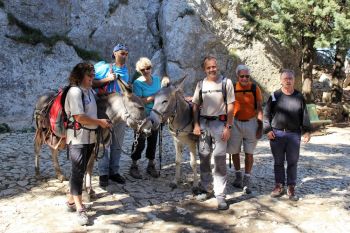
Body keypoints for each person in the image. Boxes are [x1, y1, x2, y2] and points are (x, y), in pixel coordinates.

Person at [65, 62, 111, 225]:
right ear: (80, 76)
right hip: (77, 138)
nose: (93, 78)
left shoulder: (90, 91)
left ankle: (71, 199)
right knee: (78, 171)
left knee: (81, 169)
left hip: (90, 137)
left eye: (93, 75)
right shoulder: (75, 92)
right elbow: (79, 117)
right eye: (90, 75)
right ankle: (80, 209)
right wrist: (100, 122)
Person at [192, 55, 235, 210]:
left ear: (217, 66)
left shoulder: (226, 83)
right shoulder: (200, 84)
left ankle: (220, 195)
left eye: (214, 66)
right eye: (209, 67)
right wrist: (196, 125)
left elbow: (231, 106)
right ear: (205, 69)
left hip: (220, 124)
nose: (212, 69)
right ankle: (205, 188)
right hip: (204, 124)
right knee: (203, 158)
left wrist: (228, 127)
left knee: (219, 160)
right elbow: (195, 105)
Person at [263, 69, 311, 201]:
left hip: (293, 135)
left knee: (292, 162)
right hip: (277, 134)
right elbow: (266, 114)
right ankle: (279, 185)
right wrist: (267, 130)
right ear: (281, 80)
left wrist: (307, 131)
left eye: (290, 78)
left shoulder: (299, 97)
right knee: (278, 162)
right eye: (285, 78)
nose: (288, 81)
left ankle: (291, 186)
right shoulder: (274, 96)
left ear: (294, 80)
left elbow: (305, 116)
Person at [93, 43, 130, 187]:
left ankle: (114, 172)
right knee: (104, 142)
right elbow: (90, 83)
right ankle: (103, 173)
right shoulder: (104, 68)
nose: (124, 55)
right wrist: (107, 80)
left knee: (117, 143)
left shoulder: (126, 71)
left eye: (126, 53)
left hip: (120, 112)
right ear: (114, 53)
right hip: (105, 111)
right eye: (122, 53)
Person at [227, 64, 263, 194]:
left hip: (251, 122)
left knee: (249, 152)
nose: (245, 78)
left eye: (247, 76)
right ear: (238, 76)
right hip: (235, 122)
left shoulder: (254, 88)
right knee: (234, 150)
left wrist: (260, 126)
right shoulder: (232, 88)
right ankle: (238, 176)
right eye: (242, 76)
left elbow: (259, 107)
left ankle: (247, 178)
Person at [129, 57, 161, 179]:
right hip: (142, 116)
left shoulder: (157, 80)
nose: (146, 71)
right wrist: (153, 97)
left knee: (153, 140)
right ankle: (134, 165)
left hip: (156, 114)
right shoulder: (137, 83)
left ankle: (151, 164)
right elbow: (138, 101)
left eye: (148, 68)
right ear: (139, 70)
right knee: (140, 141)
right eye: (143, 69)